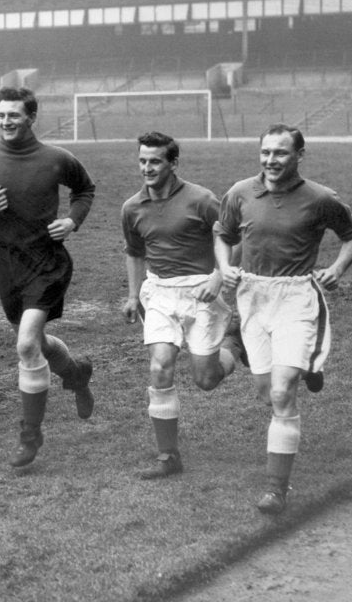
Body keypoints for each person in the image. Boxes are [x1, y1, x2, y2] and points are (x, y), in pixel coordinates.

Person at [214, 124, 352, 515]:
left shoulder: (320, 198)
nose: (270, 160)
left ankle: (276, 489)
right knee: (267, 393)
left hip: (296, 296)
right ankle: (308, 365)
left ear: (300, 155)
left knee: (282, 392)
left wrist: (339, 268)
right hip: (252, 297)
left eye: (280, 153)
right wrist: (223, 266)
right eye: (265, 152)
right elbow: (223, 235)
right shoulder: (240, 192)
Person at [0, 87, 96, 468]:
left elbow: (85, 189)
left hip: (47, 260)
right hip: (4, 260)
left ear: (31, 117)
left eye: (14, 116)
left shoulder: (56, 158)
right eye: (1, 115)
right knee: (33, 340)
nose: (6, 122)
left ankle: (30, 436)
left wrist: (72, 220)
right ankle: (77, 373)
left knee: (24, 347)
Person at [121, 131, 241, 479]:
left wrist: (218, 277)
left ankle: (235, 345)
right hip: (159, 292)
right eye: (142, 160)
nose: (147, 167)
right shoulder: (131, 207)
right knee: (160, 366)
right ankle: (168, 456)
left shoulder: (202, 200)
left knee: (206, 379)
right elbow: (134, 252)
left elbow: (235, 238)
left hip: (202, 291)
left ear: (173, 163)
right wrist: (132, 296)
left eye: (155, 161)